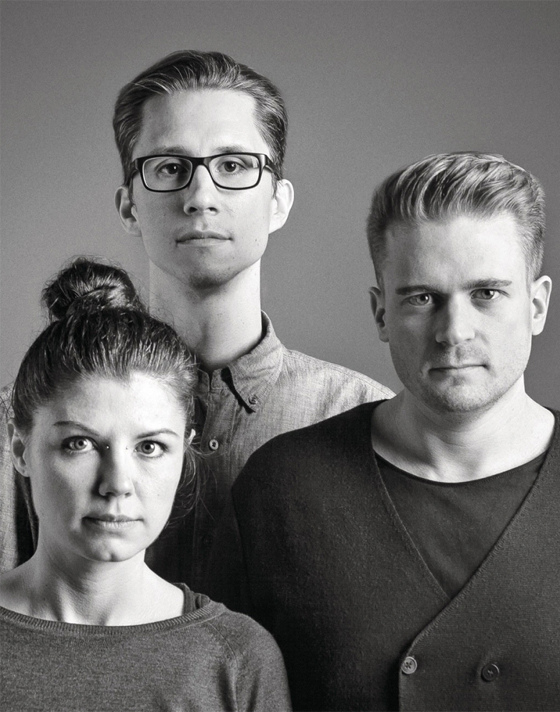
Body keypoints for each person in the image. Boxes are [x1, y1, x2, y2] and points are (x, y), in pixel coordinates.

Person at [0, 50, 393, 585]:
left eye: (233, 165)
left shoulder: (362, 418)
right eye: (170, 167)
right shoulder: (25, 419)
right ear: (128, 206)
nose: (200, 197)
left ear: (278, 202)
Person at [206, 152, 560, 710]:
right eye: (422, 298)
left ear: (536, 306)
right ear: (380, 314)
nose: (454, 331)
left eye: (487, 294)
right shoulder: (281, 491)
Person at [0, 258, 291, 711]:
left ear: (185, 451)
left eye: (150, 447)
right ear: (21, 450)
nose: (117, 484)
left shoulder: (237, 659)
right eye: (79, 443)